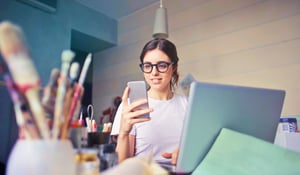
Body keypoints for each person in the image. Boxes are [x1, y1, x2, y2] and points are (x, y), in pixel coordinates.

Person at [111, 38, 188, 165]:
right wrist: (124, 132)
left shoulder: (188, 104)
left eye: (162, 65)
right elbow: (123, 166)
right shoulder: (131, 107)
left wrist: (187, 154)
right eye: (147, 66)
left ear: (174, 67)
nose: (154, 72)